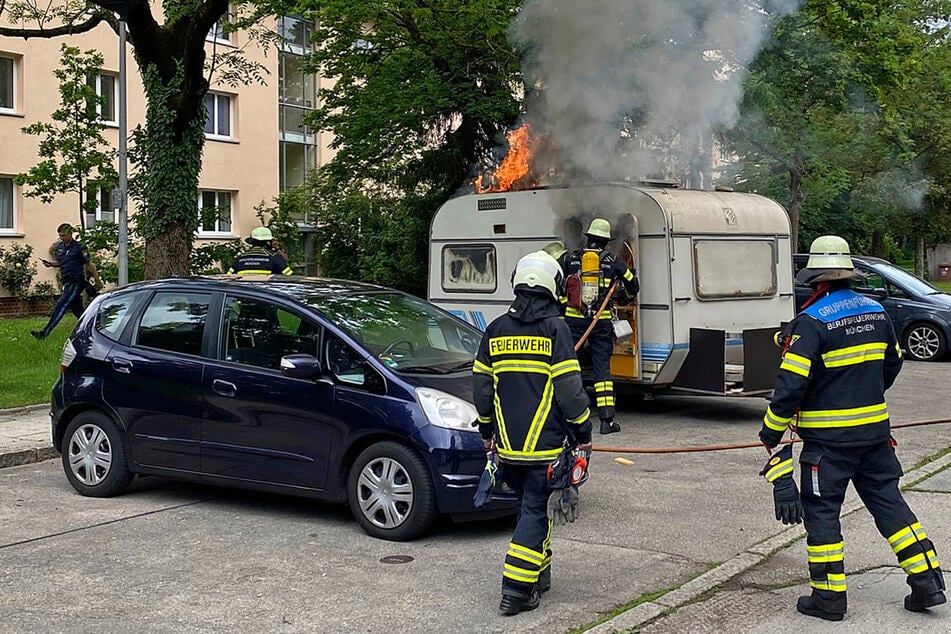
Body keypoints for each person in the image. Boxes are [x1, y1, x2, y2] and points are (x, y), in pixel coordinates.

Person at [759, 235, 946, 621]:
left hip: (828, 445)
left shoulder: (811, 322)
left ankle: (828, 600)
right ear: (847, 274)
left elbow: (790, 386)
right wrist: (863, 394)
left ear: (816, 279)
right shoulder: (876, 311)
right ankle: (928, 583)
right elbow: (892, 363)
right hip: (876, 435)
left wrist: (770, 432)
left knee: (822, 512)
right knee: (889, 503)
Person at [472, 250, 592, 617]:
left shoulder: (494, 330)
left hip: (508, 449)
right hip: (546, 448)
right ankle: (516, 591)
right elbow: (570, 390)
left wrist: (488, 431)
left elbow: (481, 388)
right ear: (553, 287)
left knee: (530, 509)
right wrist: (584, 429)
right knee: (536, 514)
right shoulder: (555, 329)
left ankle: (539, 576)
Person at [560, 218, 639, 434]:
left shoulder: (570, 258)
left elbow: (557, 284)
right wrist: (624, 296)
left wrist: (560, 310)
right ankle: (607, 421)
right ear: (605, 241)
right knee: (602, 370)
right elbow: (634, 285)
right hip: (601, 323)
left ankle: (570, 416)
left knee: (569, 367)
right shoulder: (613, 261)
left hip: (573, 322)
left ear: (588, 238)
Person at [31, 223, 100, 340]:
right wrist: (51, 264)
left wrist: (97, 280)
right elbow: (61, 262)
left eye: (63, 235)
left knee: (61, 306)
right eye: (60, 235)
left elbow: (89, 264)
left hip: (76, 282)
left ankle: (44, 333)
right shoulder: (60, 247)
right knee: (79, 312)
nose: (61, 238)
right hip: (67, 281)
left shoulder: (80, 247)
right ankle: (95, 331)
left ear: (70, 234)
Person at [228, 227, 293, 275]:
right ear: (268, 242)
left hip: (244, 292)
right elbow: (289, 275)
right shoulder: (274, 257)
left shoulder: (240, 258)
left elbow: (228, 276)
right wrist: (277, 248)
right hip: (266, 292)